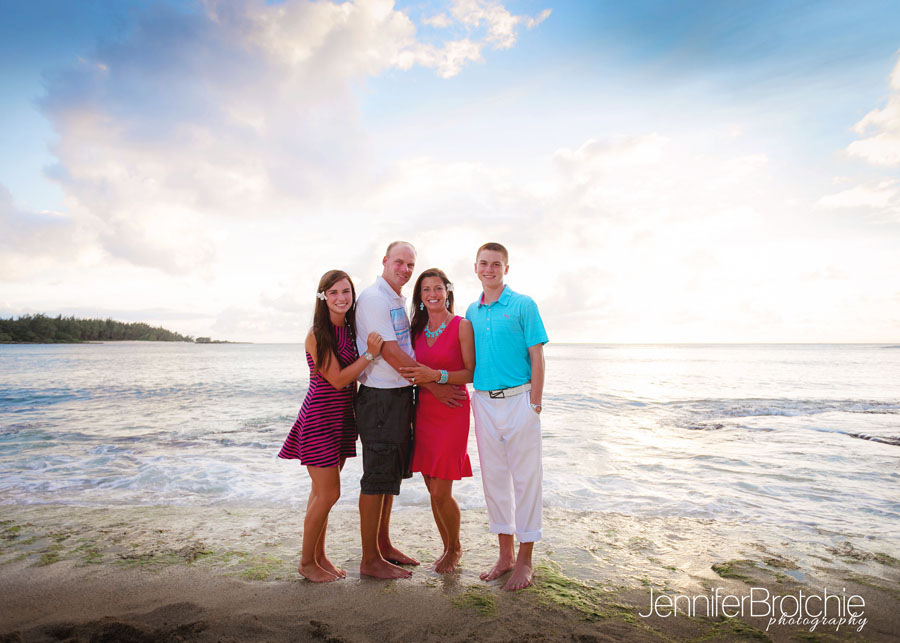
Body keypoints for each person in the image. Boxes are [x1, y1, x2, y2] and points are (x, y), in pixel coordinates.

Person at [354, 241, 467, 579]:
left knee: (389, 476)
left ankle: (384, 545)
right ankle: (370, 559)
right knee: (377, 478)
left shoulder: (396, 301)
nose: (404, 269)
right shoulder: (375, 299)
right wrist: (433, 385)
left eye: (409, 265)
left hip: (404, 399)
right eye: (399, 262)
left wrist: (430, 384)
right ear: (385, 261)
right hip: (381, 398)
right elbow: (390, 351)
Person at [278, 270, 384, 583]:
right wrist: (370, 355)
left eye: (346, 292)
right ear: (323, 297)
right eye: (334, 292)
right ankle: (306, 563)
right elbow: (337, 378)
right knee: (329, 494)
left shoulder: (350, 330)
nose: (341, 298)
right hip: (319, 420)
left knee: (319, 493)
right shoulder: (317, 334)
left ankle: (319, 556)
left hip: (342, 420)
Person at [466, 242, 548, 591]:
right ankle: (505, 556)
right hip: (483, 402)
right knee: (494, 480)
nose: (490, 269)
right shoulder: (471, 311)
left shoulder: (523, 305)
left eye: (496, 264)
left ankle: (525, 560)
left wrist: (536, 403)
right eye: (484, 263)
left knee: (526, 479)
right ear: (476, 267)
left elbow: (538, 356)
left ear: (506, 268)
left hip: (520, 400)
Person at [398, 268, 475, 573]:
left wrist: (437, 376)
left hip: (453, 411)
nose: (432, 294)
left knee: (441, 491)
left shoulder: (462, 326)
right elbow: (406, 370)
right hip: (424, 411)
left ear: (447, 291)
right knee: (432, 487)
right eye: (426, 289)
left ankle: (455, 548)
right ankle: (446, 547)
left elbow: (471, 373)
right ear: (420, 296)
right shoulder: (415, 331)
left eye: (438, 288)